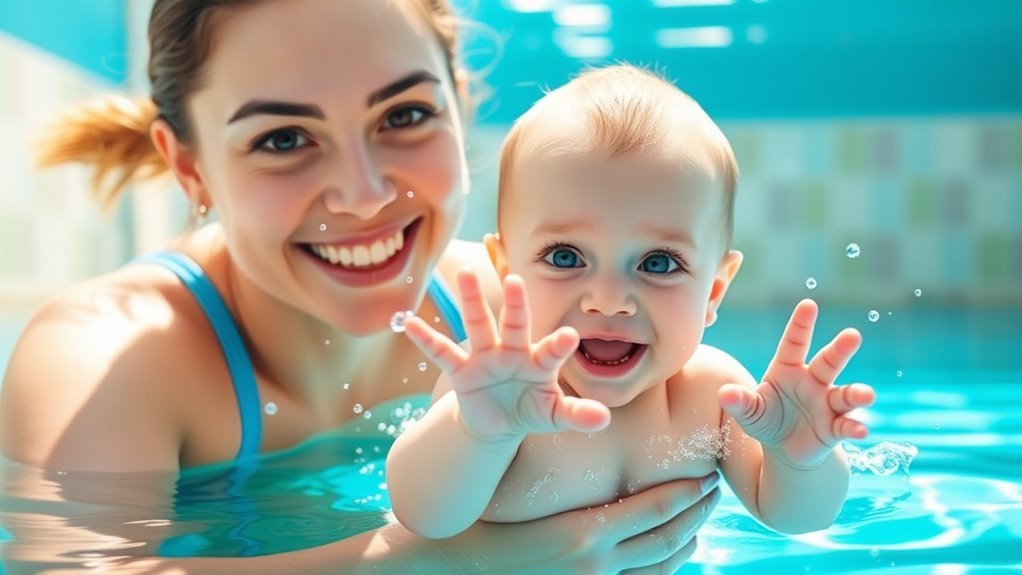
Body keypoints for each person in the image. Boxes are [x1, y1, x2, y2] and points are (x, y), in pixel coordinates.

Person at [0, 2, 725, 574]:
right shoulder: (107, 359)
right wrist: (447, 562)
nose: (363, 195)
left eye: (404, 115)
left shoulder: (526, 313)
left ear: (460, 104)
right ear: (188, 167)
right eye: (283, 138)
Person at [387, 65, 878, 540]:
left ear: (712, 291)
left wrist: (798, 460)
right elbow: (426, 517)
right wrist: (479, 434)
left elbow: (796, 518)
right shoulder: (490, 389)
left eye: (658, 264)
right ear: (507, 269)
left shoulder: (712, 396)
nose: (610, 300)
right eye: (565, 256)